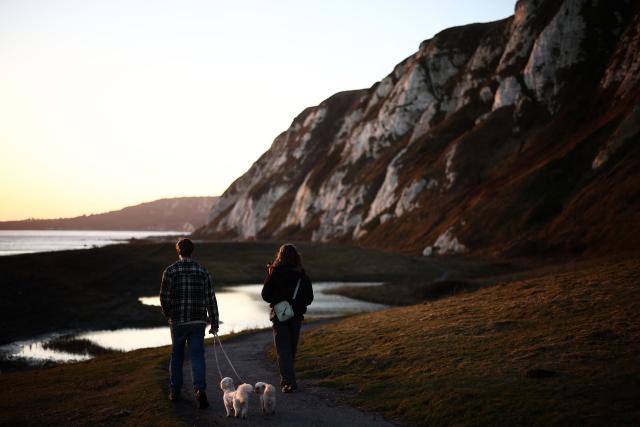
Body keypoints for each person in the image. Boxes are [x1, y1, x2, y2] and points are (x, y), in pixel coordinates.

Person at [160, 238, 219, 409]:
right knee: (197, 356)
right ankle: (200, 390)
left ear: (179, 252)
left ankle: (175, 391)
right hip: (198, 321)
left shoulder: (170, 271)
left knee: (177, 356)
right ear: (192, 251)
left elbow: (164, 298)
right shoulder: (202, 271)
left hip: (178, 321)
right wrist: (214, 322)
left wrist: (169, 315)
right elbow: (210, 299)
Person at [261, 243, 313, 393]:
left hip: (279, 315)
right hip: (296, 317)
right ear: (297, 257)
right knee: (291, 349)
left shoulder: (275, 272)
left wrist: (279, 301)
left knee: (283, 350)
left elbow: (265, 295)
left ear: (280, 256)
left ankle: (288, 382)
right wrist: (296, 304)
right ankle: (289, 380)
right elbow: (309, 298)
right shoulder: (302, 275)